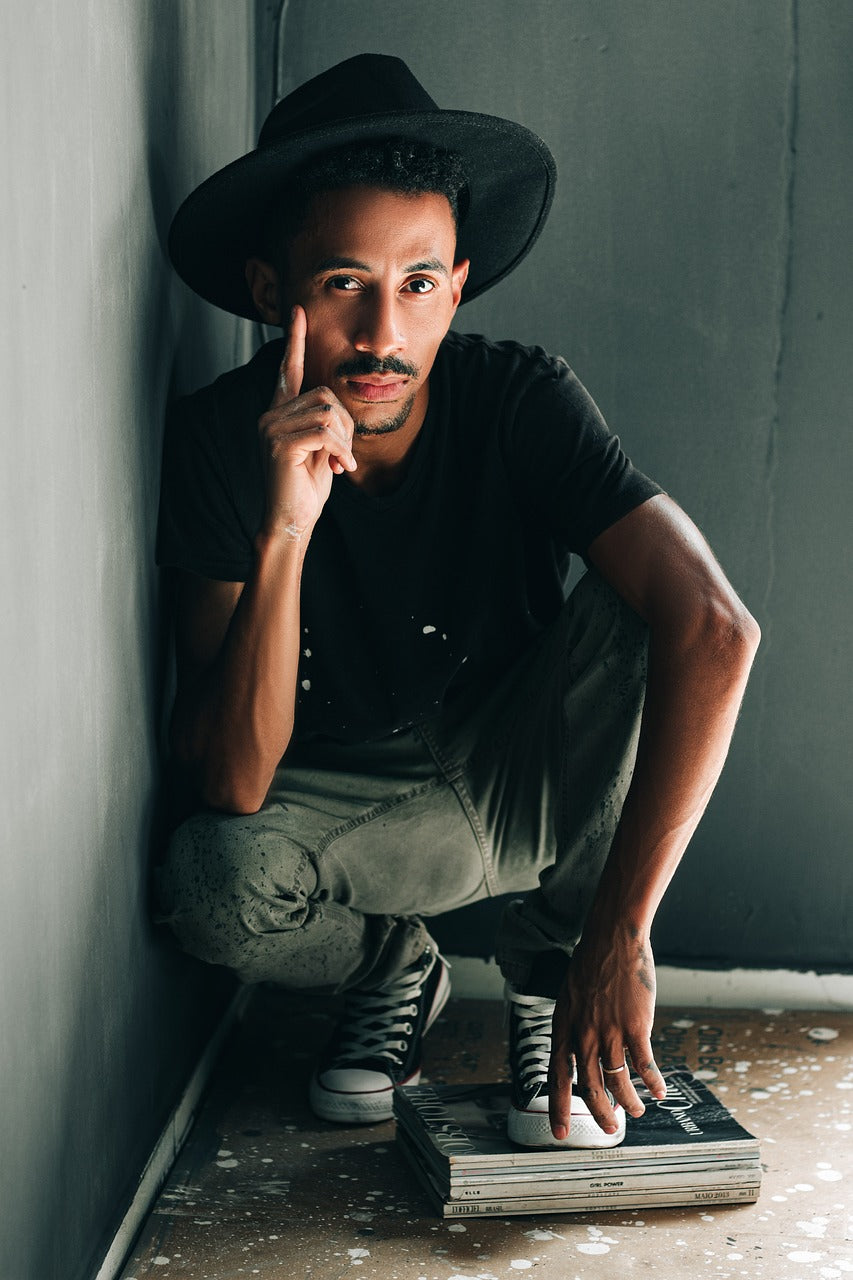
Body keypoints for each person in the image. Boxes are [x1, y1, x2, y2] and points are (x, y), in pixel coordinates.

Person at [156, 53, 759, 1150]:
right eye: (345, 283)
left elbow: (718, 626)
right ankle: (398, 969)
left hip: (527, 766)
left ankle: (554, 974)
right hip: (356, 808)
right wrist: (286, 524)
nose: (384, 333)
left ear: (458, 285)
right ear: (269, 290)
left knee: (654, 602)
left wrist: (619, 933)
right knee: (206, 880)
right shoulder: (213, 439)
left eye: (419, 283)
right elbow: (232, 782)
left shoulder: (520, 395)